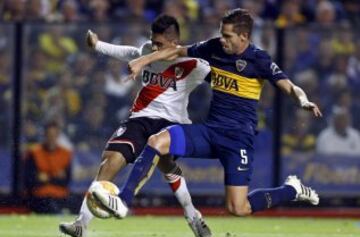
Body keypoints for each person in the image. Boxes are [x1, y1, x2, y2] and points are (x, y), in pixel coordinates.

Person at [92, 8, 323, 220]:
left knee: (238, 208)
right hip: (211, 131)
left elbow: (290, 86)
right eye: (222, 34)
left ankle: (291, 189)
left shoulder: (258, 59)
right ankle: (123, 201)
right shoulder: (214, 47)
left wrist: (303, 101)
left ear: (244, 37)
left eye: (228, 36)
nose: (222, 39)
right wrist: (143, 60)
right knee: (157, 140)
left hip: (238, 139)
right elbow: (176, 51)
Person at [59, 15, 212, 237]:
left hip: (171, 123)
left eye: (159, 44)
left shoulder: (194, 65)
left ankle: (192, 215)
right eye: (152, 42)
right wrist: (98, 45)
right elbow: (129, 52)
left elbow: (222, 78)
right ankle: (81, 224)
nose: (153, 47)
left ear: (174, 42)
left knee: (166, 166)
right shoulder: (147, 50)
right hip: (139, 119)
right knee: (110, 160)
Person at [24, 121, 72, 214]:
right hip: (40, 195)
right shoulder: (34, 153)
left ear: (58, 136)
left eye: (54, 135)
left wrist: (47, 178)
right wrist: (55, 177)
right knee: (49, 205)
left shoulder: (65, 154)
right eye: (49, 135)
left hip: (60, 195)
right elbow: (30, 180)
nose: (51, 139)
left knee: (78, 202)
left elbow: (66, 181)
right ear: (44, 135)